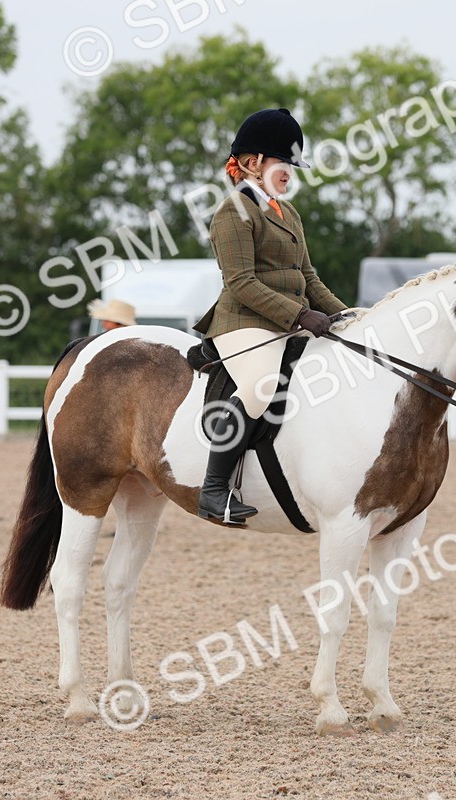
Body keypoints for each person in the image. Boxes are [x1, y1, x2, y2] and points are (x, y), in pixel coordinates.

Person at [192, 107, 349, 525]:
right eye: (283, 163)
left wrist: (346, 315)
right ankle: (214, 490)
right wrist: (300, 316)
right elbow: (241, 282)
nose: (289, 173)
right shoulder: (232, 212)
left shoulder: (287, 212)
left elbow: (308, 276)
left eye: (292, 166)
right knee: (261, 388)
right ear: (254, 162)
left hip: (287, 321)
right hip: (243, 322)